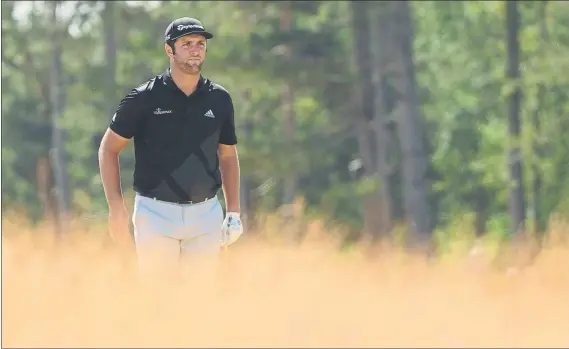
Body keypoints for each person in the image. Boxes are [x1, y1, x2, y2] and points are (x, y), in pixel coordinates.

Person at [98, 17, 243, 282]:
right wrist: (115, 207)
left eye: (200, 43)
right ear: (169, 50)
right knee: (159, 299)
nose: (195, 49)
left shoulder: (220, 99)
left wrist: (233, 211)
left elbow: (228, 155)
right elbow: (109, 149)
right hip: (155, 214)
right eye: (186, 44)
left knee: (199, 300)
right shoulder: (144, 98)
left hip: (206, 214)